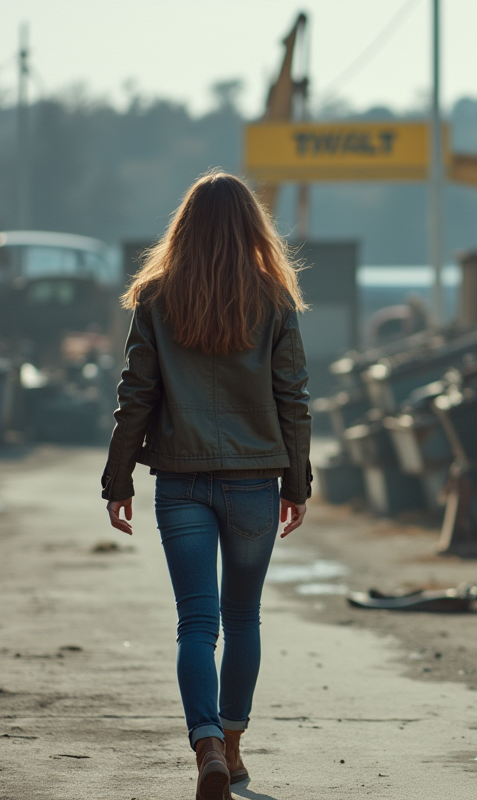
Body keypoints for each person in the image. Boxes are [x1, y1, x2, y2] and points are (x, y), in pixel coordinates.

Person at [101, 171, 312, 800]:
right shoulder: (274, 298)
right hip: (254, 481)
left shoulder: (157, 298)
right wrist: (296, 482)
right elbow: (293, 398)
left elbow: (135, 395)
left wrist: (118, 480)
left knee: (196, 623)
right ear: (253, 227)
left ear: (184, 227)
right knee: (242, 617)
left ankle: (207, 745)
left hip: (181, 482)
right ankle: (234, 744)